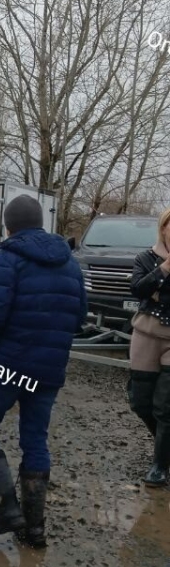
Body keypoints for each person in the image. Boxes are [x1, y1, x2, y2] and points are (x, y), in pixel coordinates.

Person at [0, 195, 87, 547]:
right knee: (34, 439)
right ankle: (34, 529)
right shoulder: (70, 261)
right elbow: (79, 317)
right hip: (50, 367)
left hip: (9, 363)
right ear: (41, 224)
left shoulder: (8, 255)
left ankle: (7, 509)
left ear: (8, 226)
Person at [127, 208, 170, 486]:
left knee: (165, 406)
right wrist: (164, 269)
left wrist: (157, 289)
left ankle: (160, 464)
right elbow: (138, 289)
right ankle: (166, 448)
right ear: (163, 228)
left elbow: (152, 292)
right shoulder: (145, 257)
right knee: (140, 402)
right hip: (146, 332)